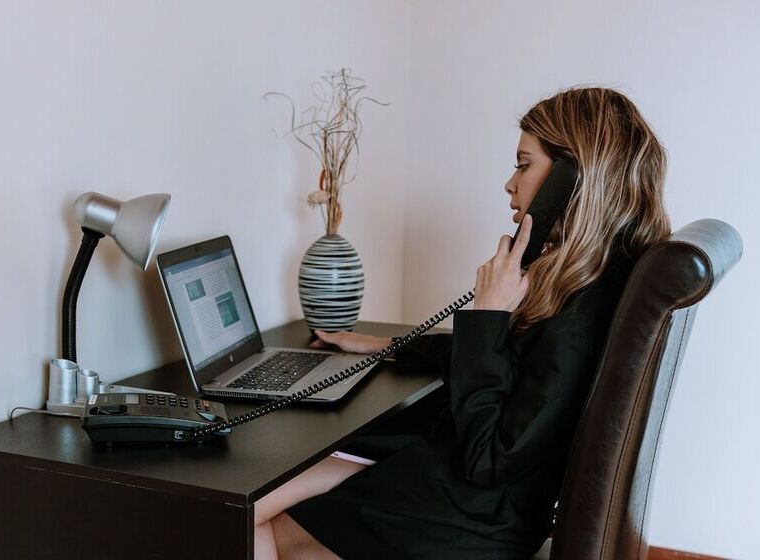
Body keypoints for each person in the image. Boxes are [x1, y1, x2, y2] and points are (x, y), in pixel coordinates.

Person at [254, 86, 672, 559]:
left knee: (243, 519)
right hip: (475, 495)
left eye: (523, 164)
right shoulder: (593, 281)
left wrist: (489, 314)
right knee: (267, 494)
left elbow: (489, 457)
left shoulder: (580, 315)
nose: (510, 184)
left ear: (573, 179)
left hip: (469, 513)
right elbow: (517, 371)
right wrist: (388, 345)